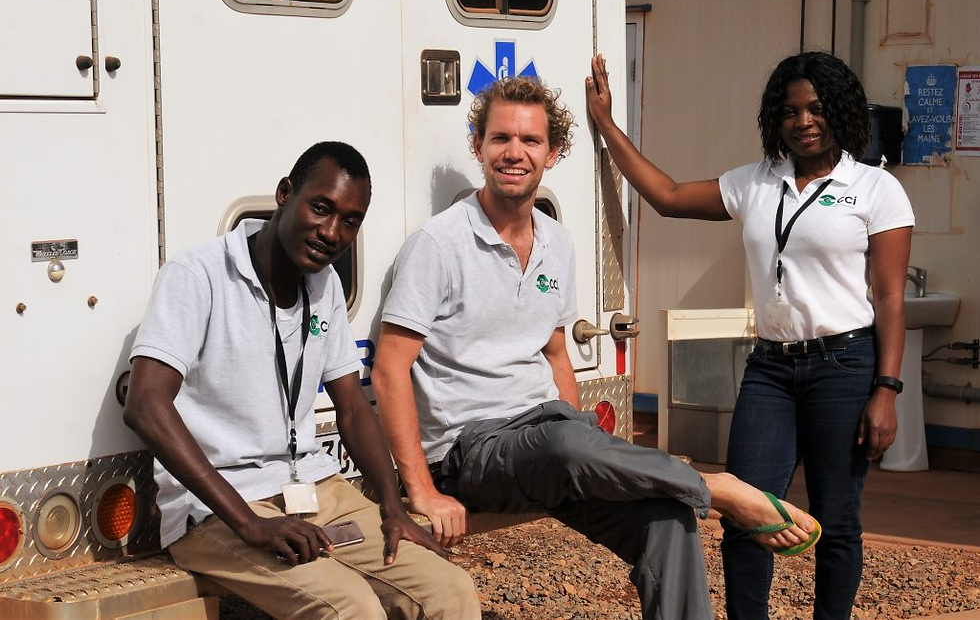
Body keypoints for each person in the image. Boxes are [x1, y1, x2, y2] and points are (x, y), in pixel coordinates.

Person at [372, 76, 820, 620]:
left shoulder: (556, 242)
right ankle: (716, 487)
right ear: (478, 146)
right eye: (500, 138)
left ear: (553, 153)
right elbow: (390, 371)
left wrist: (581, 437)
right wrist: (422, 490)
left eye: (530, 140)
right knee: (568, 445)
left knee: (667, 519)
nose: (514, 152)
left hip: (551, 438)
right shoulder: (437, 245)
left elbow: (555, 354)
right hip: (473, 450)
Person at [586, 52, 914, 620]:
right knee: (745, 514)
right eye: (789, 111)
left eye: (816, 109)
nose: (803, 121)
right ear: (774, 119)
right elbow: (667, 196)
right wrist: (608, 124)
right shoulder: (757, 182)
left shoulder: (875, 188)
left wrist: (886, 390)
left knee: (837, 520)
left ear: (839, 111)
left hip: (844, 366)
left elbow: (889, 297)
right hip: (770, 369)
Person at [124, 141, 480, 620]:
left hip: (315, 491)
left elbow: (352, 407)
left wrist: (392, 507)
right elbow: (146, 406)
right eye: (321, 208)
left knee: (450, 589)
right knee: (351, 607)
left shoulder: (324, 283)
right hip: (219, 507)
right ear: (284, 193)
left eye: (350, 221)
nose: (331, 233)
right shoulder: (198, 275)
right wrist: (249, 523)